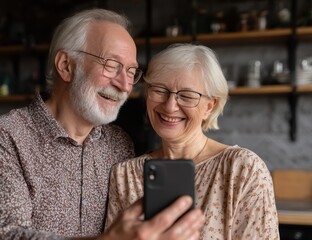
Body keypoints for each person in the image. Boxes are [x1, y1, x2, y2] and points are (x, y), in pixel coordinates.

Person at [0, 9, 205, 240]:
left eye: (131, 72)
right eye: (112, 65)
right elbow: (1, 235)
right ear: (66, 66)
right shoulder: (3, 138)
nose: (124, 85)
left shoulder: (119, 143)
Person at [105, 43, 280, 239]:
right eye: (160, 90)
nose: (170, 106)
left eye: (187, 96)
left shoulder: (243, 169)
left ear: (209, 107)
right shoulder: (124, 175)